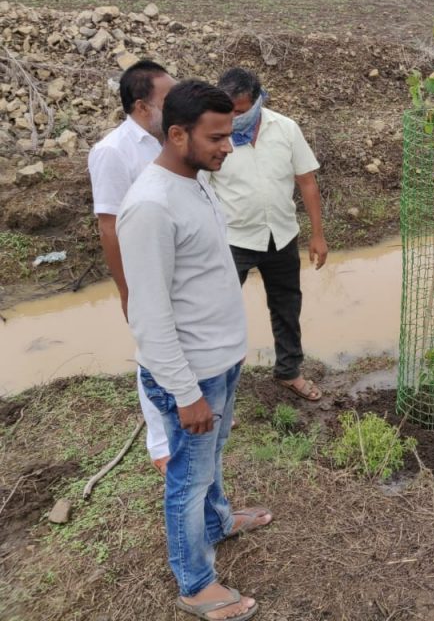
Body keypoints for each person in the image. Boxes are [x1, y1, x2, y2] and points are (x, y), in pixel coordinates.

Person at [118, 79, 271, 621]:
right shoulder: (150, 207)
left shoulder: (196, 179)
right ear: (177, 133)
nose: (227, 147)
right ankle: (195, 581)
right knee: (189, 476)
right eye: (216, 138)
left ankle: (217, 521)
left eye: (229, 135)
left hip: (219, 360)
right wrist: (186, 394)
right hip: (191, 375)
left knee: (209, 460)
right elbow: (150, 315)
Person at [209, 68, 327, 402]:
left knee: (287, 306)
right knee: (221, 312)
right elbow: (201, 191)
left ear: (259, 101)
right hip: (234, 241)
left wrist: (317, 235)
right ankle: (216, 385)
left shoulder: (285, 128)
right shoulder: (215, 137)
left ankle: (289, 371)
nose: (234, 118)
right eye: (228, 110)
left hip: (281, 235)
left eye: (241, 111)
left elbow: (307, 182)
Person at [87, 59, 175, 474]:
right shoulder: (111, 152)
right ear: (142, 106)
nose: (174, 104)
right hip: (145, 271)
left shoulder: (171, 140)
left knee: (186, 341)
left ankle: (196, 411)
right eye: (167, 98)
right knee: (152, 352)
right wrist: (127, 289)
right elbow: (109, 226)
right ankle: (160, 442)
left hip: (178, 264)